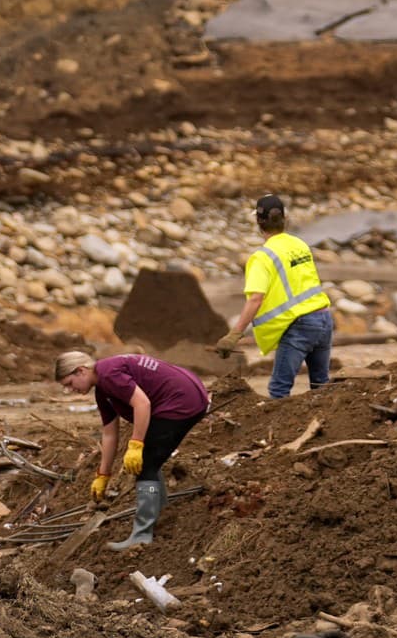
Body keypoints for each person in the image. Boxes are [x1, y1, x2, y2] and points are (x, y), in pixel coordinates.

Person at [54, 350, 209, 551]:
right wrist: (103, 474)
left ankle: (142, 535)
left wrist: (136, 444)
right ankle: (158, 514)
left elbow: (142, 403)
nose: (70, 390)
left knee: (145, 465)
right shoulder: (103, 389)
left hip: (181, 401)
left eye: (69, 384)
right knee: (150, 462)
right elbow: (110, 434)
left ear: (81, 371)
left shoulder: (109, 374)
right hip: (186, 394)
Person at [215, 194, 333, 399]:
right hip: (323, 319)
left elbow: (255, 299)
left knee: (279, 389)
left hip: (300, 326)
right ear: (284, 219)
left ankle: (280, 432)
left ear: (258, 222)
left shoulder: (263, 257)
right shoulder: (300, 245)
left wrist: (235, 334)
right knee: (321, 386)